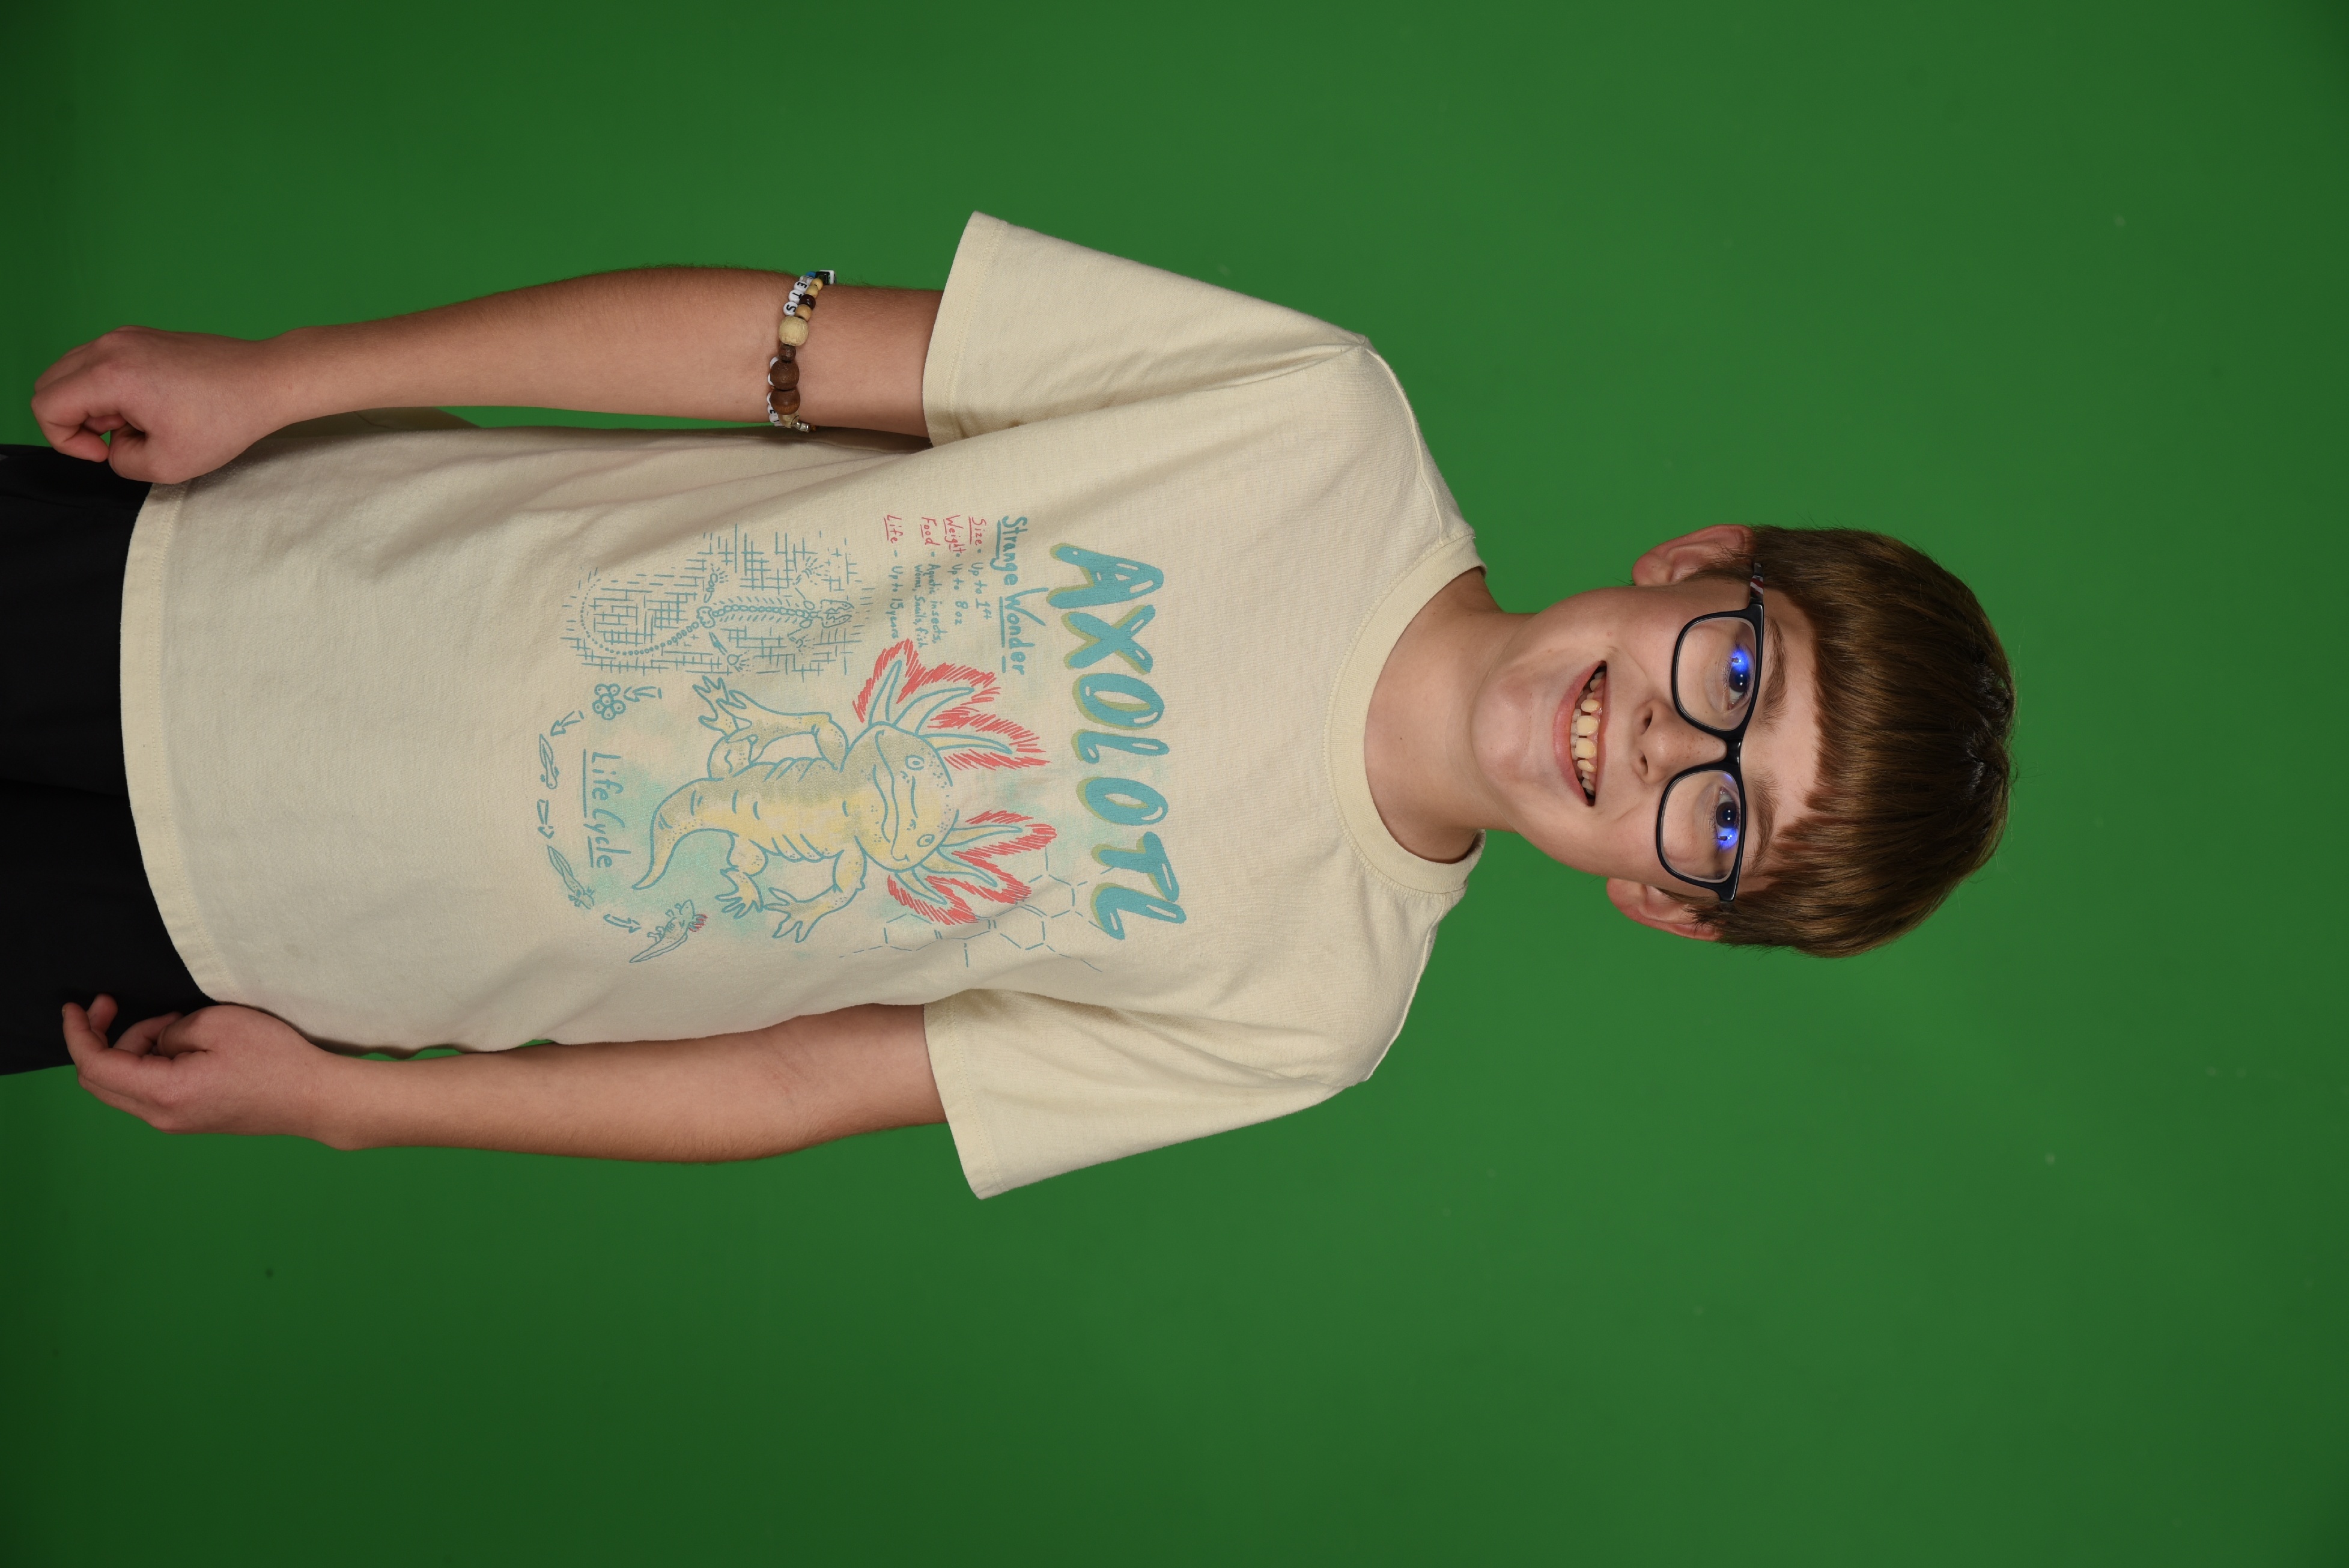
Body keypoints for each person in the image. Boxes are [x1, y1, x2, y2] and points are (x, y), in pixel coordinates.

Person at [13, 215, 2014, 1196]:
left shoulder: (1313, 1009)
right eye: (1737, 677)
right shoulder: (1317, 419)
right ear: (1698, 561)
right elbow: (767, 350)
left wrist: (357, 1099)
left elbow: (797, 1080)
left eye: (1724, 816)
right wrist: (288, 375)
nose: (1668, 746)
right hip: (238, 581)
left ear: (1669, 901)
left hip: (264, 939)